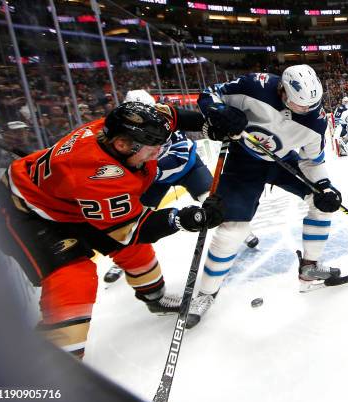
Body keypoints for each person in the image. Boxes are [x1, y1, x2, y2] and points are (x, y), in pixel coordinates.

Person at [0, 102, 224, 358]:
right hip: (28, 212)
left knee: (134, 252)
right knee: (73, 278)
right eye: (152, 147)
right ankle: (52, 364)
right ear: (122, 145)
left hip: (67, 200)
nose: (158, 152)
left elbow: (167, 115)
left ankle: (154, 298)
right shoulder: (98, 177)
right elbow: (132, 230)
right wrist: (184, 218)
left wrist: (208, 124)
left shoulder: (118, 129)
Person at [185, 65, 343, 328]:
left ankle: (309, 268)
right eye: (302, 105)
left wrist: (324, 186)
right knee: (232, 230)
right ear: (282, 90)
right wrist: (219, 111)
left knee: (322, 204)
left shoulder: (316, 120)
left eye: (313, 104)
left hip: (283, 162)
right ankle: (206, 293)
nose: (309, 111)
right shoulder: (254, 85)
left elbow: (312, 162)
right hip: (243, 162)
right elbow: (210, 94)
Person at [103, 91, 259, 284]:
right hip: (156, 179)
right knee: (135, 221)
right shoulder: (126, 131)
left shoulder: (162, 119)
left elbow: (181, 156)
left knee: (215, 204)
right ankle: (125, 259)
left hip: (188, 169)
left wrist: (150, 171)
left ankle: (241, 232)